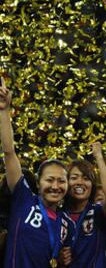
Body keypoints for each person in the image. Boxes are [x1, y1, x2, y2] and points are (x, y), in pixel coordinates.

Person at [0, 77, 73, 267]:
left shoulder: (68, 224)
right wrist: (4, 110)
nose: (55, 186)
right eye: (50, 180)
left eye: (61, 181)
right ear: (39, 182)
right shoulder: (24, 199)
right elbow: (9, 152)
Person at [64, 142, 106, 267]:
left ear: (92, 185)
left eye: (86, 178)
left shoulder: (98, 212)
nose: (80, 182)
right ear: (65, 182)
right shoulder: (58, 215)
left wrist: (98, 156)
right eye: (74, 177)